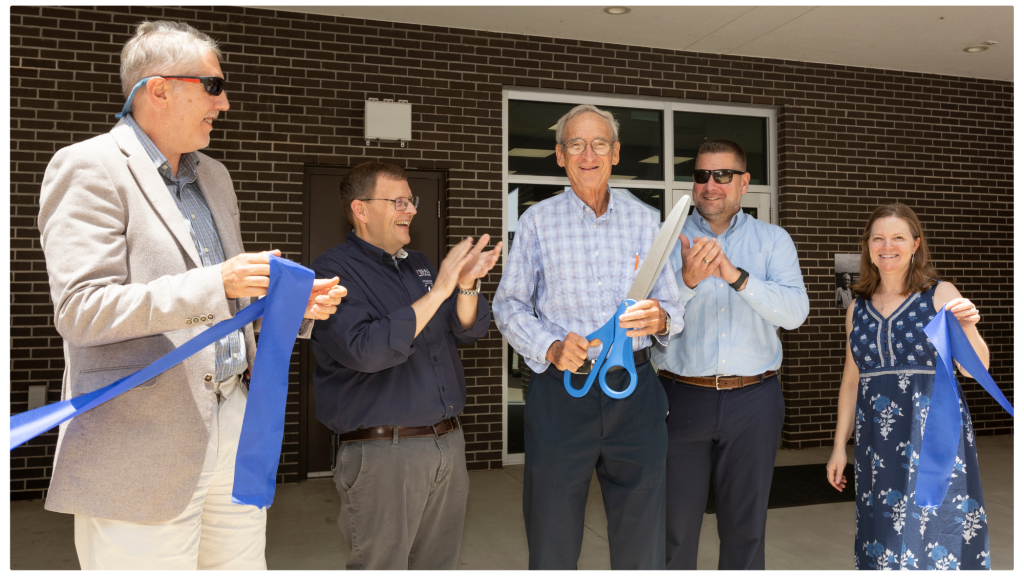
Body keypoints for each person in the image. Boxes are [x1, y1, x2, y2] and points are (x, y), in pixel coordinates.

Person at [36, 21, 347, 571]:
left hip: (235, 426)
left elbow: (225, 303)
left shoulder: (216, 177)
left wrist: (286, 310)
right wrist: (217, 282)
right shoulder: (88, 166)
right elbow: (81, 310)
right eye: (212, 86)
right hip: (140, 445)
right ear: (159, 89)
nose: (223, 103)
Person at [494, 104, 683, 571]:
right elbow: (508, 305)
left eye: (599, 143)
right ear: (560, 155)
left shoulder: (645, 220)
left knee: (643, 533)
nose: (588, 154)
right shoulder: (537, 221)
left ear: (616, 153)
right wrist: (551, 348)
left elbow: (674, 306)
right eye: (575, 144)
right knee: (552, 532)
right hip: (562, 393)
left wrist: (660, 319)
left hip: (635, 391)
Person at [309, 161, 500, 571]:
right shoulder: (330, 273)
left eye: (411, 200)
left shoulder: (420, 266)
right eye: (398, 201)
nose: (411, 209)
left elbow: (466, 330)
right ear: (361, 210)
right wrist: (442, 288)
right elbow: (365, 349)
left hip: (447, 443)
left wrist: (464, 285)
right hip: (382, 453)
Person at [652, 139, 809, 570]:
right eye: (702, 175)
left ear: (744, 183)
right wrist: (686, 281)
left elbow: (795, 313)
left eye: (723, 175)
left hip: (753, 400)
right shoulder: (667, 241)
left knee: (745, 527)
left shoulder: (773, 241)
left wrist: (735, 276)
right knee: (674, 528)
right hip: (679, 397)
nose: (711, 185)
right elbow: (645, 316)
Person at [826, 203, 991, 571]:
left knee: (937, 533)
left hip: (933, 436)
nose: (888, 246)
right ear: (867, 245)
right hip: (877, 444)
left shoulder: (939, 294)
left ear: (916, 244)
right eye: (878, 238)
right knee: (882, 536)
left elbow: (973, 369)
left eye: (898, 237)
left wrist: (969, 326)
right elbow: (852, 381)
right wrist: (839, 447)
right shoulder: (858, 307)